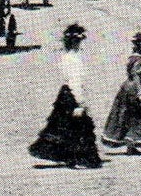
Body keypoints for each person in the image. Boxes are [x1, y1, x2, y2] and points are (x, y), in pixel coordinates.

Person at [29, 23, 103, 168]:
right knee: (78, 127)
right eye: (79, 41)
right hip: (72, 95)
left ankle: (70, 157)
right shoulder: (74, 59)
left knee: (65, 127)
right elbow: (75, 82)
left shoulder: (66, 56)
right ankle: (79, 159)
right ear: (76, 42)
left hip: (65, 95)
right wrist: (80, 102)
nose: (81, 44)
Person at [102, 27, 141, 155]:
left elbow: (133, 71)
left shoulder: (133, 58)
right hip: (135, 89)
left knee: (126, 115)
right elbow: (137, 76)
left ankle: (130, 145)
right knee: (140, 116)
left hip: (126, 87)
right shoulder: (139, 60)